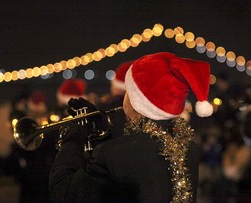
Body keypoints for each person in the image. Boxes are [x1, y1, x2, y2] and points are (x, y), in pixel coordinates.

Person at [49, 52, 213, 202]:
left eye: (128, 91)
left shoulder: (113, 154)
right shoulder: (189, 147)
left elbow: (63, 194)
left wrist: (74, 137)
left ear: (137, 101)